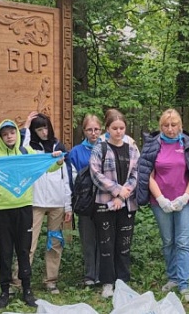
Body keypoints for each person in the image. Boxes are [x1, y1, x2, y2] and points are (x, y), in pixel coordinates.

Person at [0, 119, 60, 310]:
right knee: (5, 251)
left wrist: (56, 160)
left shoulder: (26, 153)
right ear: (0, 137)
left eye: (12, 133)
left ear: (17, 134)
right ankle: (4, 291)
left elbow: (46, 166)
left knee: (24, 250)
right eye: (5, 134)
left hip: (24, 208)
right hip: (3, 210)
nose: (9, 136)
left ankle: (27, 290)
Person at [136, 109, 189, 302]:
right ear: (161, 127)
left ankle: (184, 285)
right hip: (161, 202)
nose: (170, 129)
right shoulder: (152, 145)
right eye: (166, 125)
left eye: (173, 125)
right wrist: (160, 199)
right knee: (168, 241)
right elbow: (147, 173)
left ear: (180, 125)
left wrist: (185, 196)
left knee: (182, 242)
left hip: (185, 201)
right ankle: (173, 277)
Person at [89, 110, 140, 298]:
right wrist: (116, 190)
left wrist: (123, 195)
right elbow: (96, 174)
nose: (118, 132)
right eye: (114, 128)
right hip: (104, 203)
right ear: (107, 129)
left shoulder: (132, 148)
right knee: (106, 245)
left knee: (124, 244)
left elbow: (136, 173)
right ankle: (108, 283)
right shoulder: (99, 148)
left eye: (122, 128)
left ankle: (123, 281)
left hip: (127, 204)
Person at [22, 112, 71, 295]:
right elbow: (21, 149)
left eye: (46, 128)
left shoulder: (58, 146)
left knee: (54, 242)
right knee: (28, 243)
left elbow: (66, 176)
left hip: (57, 202)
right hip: (35, 202)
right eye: (39, 129)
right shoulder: (30, 147)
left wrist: (68, 205)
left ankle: (51, 280)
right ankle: (19, 280)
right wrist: (26, 127)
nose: (44, 132)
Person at [67, 114, 102, 286]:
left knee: (104, 238)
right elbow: (72, 178)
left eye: (96, 129)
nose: (93, 133)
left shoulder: (107, 148)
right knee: (88, 239)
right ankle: (90, 275)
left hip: (104, 199)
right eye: (90, 129)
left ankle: (102, 274)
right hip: (86, 202)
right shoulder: (76, 152)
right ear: (84, 131)